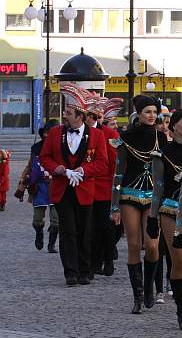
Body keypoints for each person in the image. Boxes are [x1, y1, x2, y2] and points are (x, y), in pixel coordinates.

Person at [38, 84, 110, 286]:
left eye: (68, 113)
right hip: (62, 190)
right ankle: (70, 272)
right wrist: (57, 168)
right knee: (67, 231)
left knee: (85, 230)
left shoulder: (96, 136)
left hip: (85, 190)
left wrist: (84, 170)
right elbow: (44, 157)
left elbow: (102, 163)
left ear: (80, 116)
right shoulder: (55, 133)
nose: (64, 116)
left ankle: (85, 270)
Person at [111, 95, 165, 312]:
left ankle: (149, 284)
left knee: (152, 246)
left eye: (154, 112)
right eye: (147, 112)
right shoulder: (125, 137)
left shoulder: (162, 138)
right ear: (139, 114)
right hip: (129, 195)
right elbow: (118, 172)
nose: (152, 115)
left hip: (154, 196)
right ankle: (138, 296)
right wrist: (114, 206)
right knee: (134, 245)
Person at [150, 109, 182, 330]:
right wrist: (152, 218)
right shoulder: (162, 154)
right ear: (174, 126)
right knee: (178, 260)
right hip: (170, 209)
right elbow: (157, 189)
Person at [85, 97, 120, 277]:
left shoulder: (110, 134)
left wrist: (116, 186)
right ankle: (93, 262)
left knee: (106, 227)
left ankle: (108, 257)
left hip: (104, 186)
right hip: (84, 185)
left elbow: (115, 162)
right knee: (89, 228)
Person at [14, 120, 60, 252]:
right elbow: (30, 166)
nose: (48, 135)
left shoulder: (61, 149)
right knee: (37, 220)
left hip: (56, 186)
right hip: (39, 188)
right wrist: (23, 181)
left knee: (56, 220)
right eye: (47, 132)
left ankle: (51, 245)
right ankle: (39, 233)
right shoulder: (36, 148)